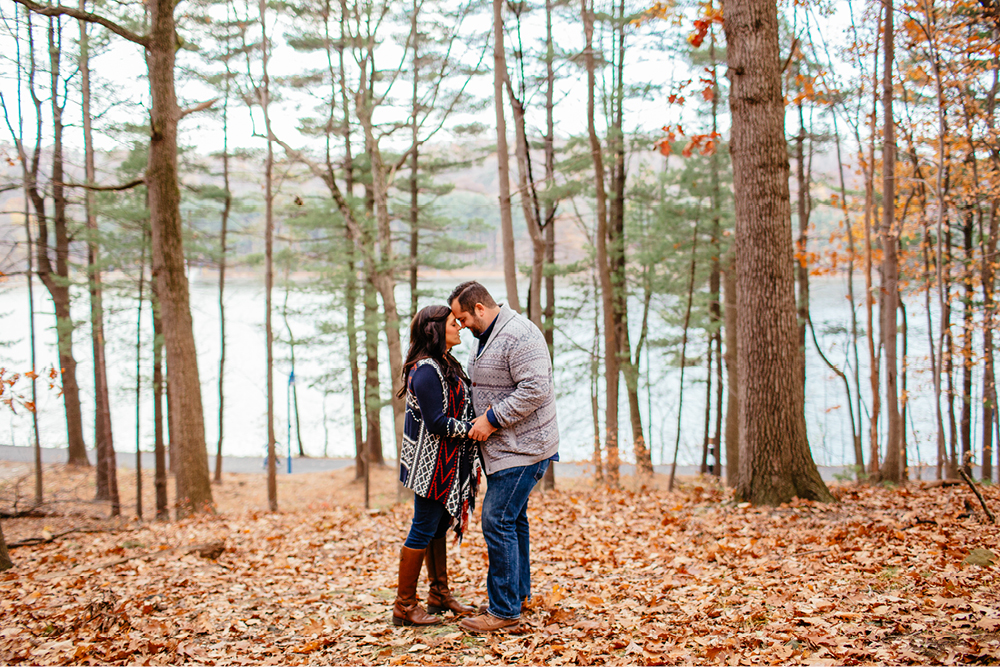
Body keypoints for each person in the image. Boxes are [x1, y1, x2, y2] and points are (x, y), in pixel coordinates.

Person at [448, 281, 559, 634]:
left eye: (463, 318)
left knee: (496, 521)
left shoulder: (521, 334)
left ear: (480, 308)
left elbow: (535, 389)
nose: (461, 325)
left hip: (524, 448)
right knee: (513, 521)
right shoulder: (487, 335)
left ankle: (504, 611)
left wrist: (491, 419)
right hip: (505, 448)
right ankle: (516, 595)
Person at [392, 305, 482, 627]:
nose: (458, 326)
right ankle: (404, 606)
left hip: (446, 465)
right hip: (430, 466)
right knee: (422, 528)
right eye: (452, 323)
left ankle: (438, 595)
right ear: (434, 329)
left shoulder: (445, 363)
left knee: (437, 527)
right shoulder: (427, 369)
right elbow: (436, 422)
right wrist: (475, 428)